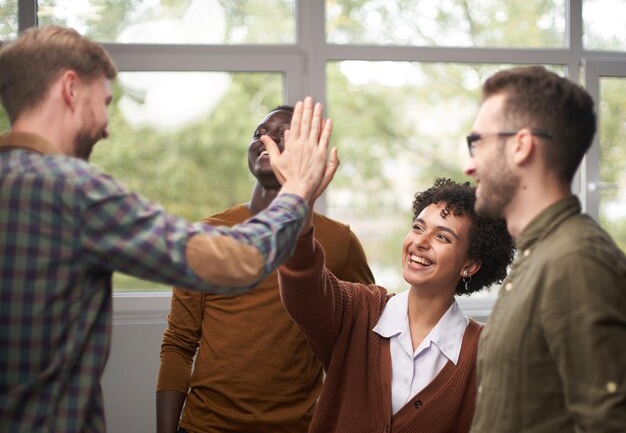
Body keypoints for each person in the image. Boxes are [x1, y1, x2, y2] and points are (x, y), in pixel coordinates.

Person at [0, 25, 338, 432]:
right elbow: (238, 259)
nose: (107, 126)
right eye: (103, 102)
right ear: (70, 88)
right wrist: (299, 190)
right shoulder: (72, 189)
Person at [155, 105, 375, 433]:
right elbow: (179, 343)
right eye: (259, 133)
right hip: (205, 426)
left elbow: (363, 340)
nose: (265, 140)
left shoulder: (339, 241)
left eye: (282, 135)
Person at [278, 177, 514, 432]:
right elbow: (303, 285)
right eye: (418, 227)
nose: (420, 242)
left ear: (469, 266)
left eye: (442, 237)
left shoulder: (485, 354)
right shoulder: (358, 310)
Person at [463, 65, 626, 432]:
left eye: (477, 143)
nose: (469, 164)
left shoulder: (577, 261)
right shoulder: (541, 255)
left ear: (521, 144)